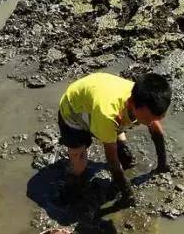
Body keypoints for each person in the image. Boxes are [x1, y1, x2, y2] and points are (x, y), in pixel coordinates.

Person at [57, 72, 172, 206]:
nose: (150, 122)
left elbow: (156, 129)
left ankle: (112, 133)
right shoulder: (108, 115)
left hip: (99, 100)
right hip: (74, 113)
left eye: (158, 117)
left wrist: (162, 165)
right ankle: (67, 194)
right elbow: (112, 161)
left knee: (126, 156)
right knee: (80, 167)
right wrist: (127, 193)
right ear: (131, 103)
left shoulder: (144, 98)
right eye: (147, 119)